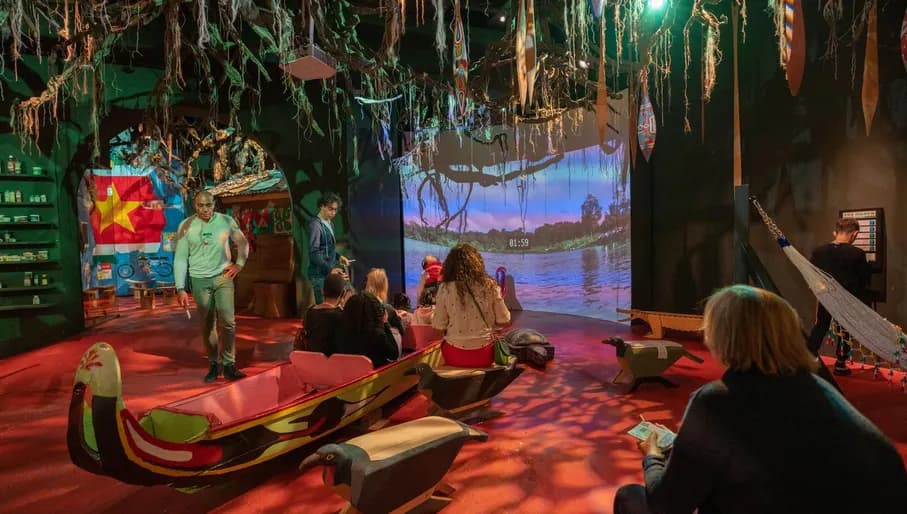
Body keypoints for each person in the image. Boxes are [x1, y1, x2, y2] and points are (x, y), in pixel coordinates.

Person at [613, 285, 907, 514]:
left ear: (723, 336)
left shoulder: (716, 401)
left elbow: (667, 504)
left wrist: (652, 455)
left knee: (630, 497)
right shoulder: (819, 388)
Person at [175, 191, 250, 382]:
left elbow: (242, 242)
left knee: (228, 321)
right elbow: (181, 258)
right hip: (199, 279)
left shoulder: (226, 221)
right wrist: (180, 288)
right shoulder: (186, 226)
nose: (205, 209)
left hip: (223, 276)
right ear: (195, 205)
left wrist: (239, 264)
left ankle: (229, 364)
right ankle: (214, 364)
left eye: (208, 205)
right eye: (201, 205)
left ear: (214, 204)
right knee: (207, 324)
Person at [806, 217, 871, 375]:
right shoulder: (857, 254)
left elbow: (812, 275)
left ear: (835, 232)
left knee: (821, 325)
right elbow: (864, 280)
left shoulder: (818, 251)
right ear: (854, 234)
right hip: (847, 299)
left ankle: (806, 357)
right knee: (845, 330)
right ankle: (841, 364)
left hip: (825, 296)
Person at [432, 243, 510, 367]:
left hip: (454, 354)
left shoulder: (444, 288)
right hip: (484, 354)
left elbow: (438, 324)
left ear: (450, 266)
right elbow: (504, 318)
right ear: (477, 263)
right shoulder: (490, 286)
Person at [337, 292, 400, 368]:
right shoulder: (377, 334)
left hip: (351, 375)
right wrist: (386, 323)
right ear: (375, 311)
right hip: (377, 376)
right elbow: (394, 354)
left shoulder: (342, 333)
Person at [308, 192, 349, 304]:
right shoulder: (315, 225)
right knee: (323, 307)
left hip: (327, 272)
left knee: (332, 306)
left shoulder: (329, 223)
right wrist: (330, 269)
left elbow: (328, 248)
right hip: (319, 274)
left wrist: (339, 257)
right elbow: (314, 253)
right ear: (322, 206)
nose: (333, 212)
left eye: (335, 210)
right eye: (331, 209)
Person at [300, 272, 346, 355]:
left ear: (322, 291)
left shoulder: (309, 313)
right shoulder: (342, 316)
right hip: (335, 365)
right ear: (343, 293)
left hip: (312, 363)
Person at [365, 268, 405, 337]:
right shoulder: (387, 309)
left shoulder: (361, 306)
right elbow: (401, 331)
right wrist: (398, 318)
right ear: (384, 285)